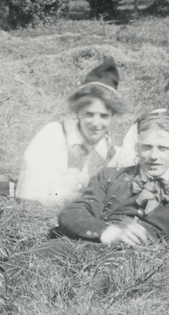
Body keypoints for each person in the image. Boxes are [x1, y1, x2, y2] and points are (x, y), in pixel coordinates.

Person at [57, 111, 169, 245]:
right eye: (147, 147)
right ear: (136, 149)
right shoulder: (109, 177)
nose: (154, 156)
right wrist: (111, 233)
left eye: (162, 148)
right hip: (94, 245)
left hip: (144, 258)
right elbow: (72, 213)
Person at [16, 59, 124, 207]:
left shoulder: (108, 150)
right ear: (78, 111)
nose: (96, 123)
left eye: (104, 116)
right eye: (89, 114)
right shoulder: (53, 136)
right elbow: (32, 193)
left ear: (112, 116)